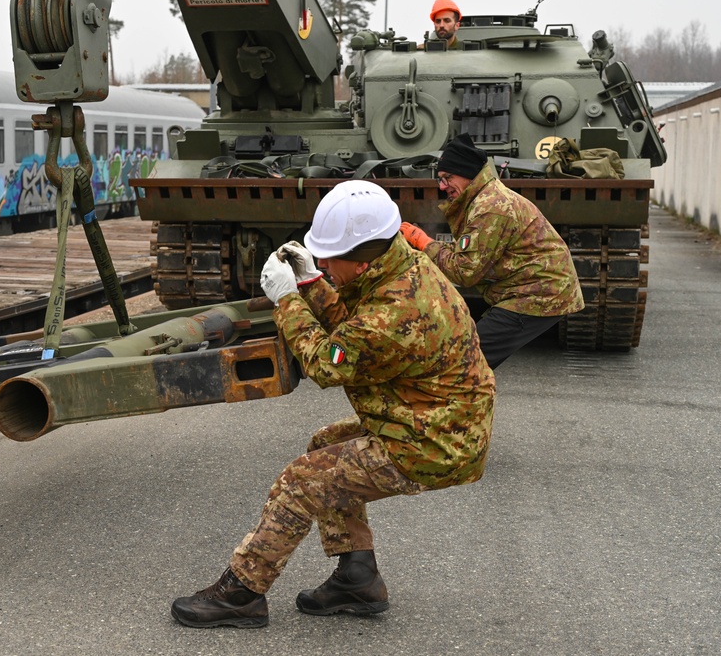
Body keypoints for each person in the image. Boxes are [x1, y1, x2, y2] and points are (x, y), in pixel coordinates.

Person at [170, 180, 495, 629]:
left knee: (300, 481)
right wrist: (310, 281)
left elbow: (328, 362)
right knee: (324, 448)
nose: (324, 262)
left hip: (435, 444)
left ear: (362, 263)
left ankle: (241, 593)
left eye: (329, 258)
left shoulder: (396, 311)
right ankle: (356, 578)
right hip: (435, 419)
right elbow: (355, 326)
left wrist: (287, 299)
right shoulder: (401, 267)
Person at [400, 133, 585, 369]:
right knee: (466, 360)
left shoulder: (491, 208)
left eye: (448, 178)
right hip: (527, 289)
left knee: (461, 362)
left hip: (536, 294)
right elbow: (466, 255)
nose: (443, 186)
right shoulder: (484, 198)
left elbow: (465, 272)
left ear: (467, 174)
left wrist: (423, 242)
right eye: (440, 179)